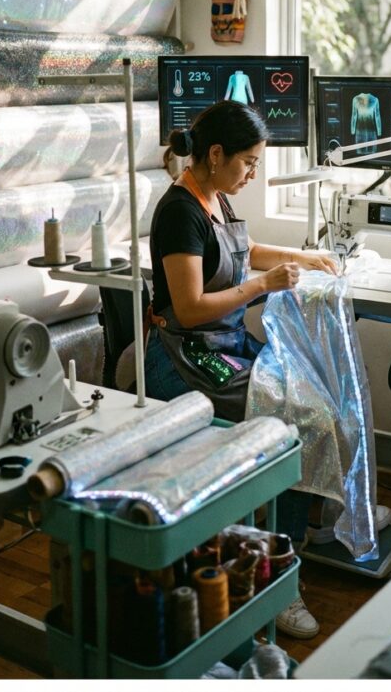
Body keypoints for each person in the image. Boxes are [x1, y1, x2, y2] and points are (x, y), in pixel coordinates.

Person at [145, 99, 337, 639]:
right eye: (248, 162)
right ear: (214, 154)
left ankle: (292, 535)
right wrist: (264, 286)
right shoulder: (179, 211)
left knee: (315, 402)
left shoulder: (216, 198)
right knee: (299, 423)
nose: (253, 173)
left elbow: (243, 249)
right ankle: (279, 579)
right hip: (184, 357)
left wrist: (302, 257)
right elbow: (187, 309)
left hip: (222, 344)